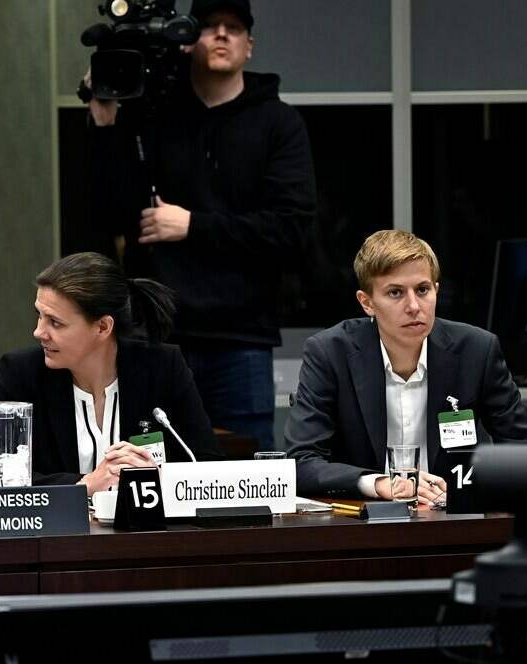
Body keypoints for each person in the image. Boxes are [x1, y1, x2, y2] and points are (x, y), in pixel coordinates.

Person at [87, 0, 316, 451]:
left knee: (244, 480)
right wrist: (105, 125)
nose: (222, 35)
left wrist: (193, 225)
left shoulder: (279, 123)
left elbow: (292, 230)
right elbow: (112, 211)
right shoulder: (154, 117)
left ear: (249, 45)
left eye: (234, 27)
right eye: (210, 26)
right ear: (189, 40)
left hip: (241, 338)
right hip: (160, 335)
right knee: (146, 469)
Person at [286, 230, 527, 502]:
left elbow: (520, 448)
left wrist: (470, 487)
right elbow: (300, 463)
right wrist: (377, 484)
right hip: (362, 523)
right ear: (367, 303)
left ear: (436, 290)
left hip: (455, 520)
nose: (413, 306)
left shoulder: (476, 350)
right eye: (395, 293)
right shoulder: (330, 353)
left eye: (422, 290)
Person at [0, 252, 219, 495]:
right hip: (57, 532)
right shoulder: (20, 373)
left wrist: (159, 478)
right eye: (40, 315)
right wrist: (84, 485)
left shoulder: (162, 367)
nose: (39, 332)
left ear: (103, 327)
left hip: (144, 531)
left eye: (55, 323)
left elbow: (207, 464)